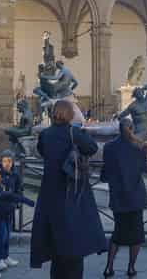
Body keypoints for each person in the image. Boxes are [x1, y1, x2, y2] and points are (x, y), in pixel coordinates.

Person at [31, 100, 107, 279]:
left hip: (50, 195)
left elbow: (41, 152)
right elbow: (92, 147)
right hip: (71, 193)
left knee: (56, 246)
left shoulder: (46, 134)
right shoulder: (74, 132)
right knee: (74, 246)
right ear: (69, 114)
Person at [101, 117, 147, 277]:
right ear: (131, 128)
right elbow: (145, 169)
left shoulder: (108, 148)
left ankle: (109, 267)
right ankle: (131, 267)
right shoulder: (138, 148)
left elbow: (104, 174)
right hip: (135, 197)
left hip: (118, 197)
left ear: (119, 129)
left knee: (118, 233)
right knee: (136, 236)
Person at [0, 150, 28, 271]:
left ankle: (6, 256)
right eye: (4, 161)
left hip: (10, 209)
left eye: (9, 161)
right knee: (2, 235)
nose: (7, 163)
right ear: (1, 162)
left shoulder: (15, 175)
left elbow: (19, 189)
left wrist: (16, 202)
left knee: (7, 235)